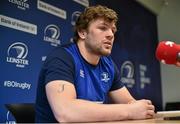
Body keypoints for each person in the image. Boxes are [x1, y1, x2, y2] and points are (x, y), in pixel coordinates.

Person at [35, 5, 155, 123]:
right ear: (82, 33)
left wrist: (142, 108)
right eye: (103, 28)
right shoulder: (62, 58)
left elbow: (130, 103)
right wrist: (129, 111)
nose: (111, 35)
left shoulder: (108, 65)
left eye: (113, 30)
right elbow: (65, 112)